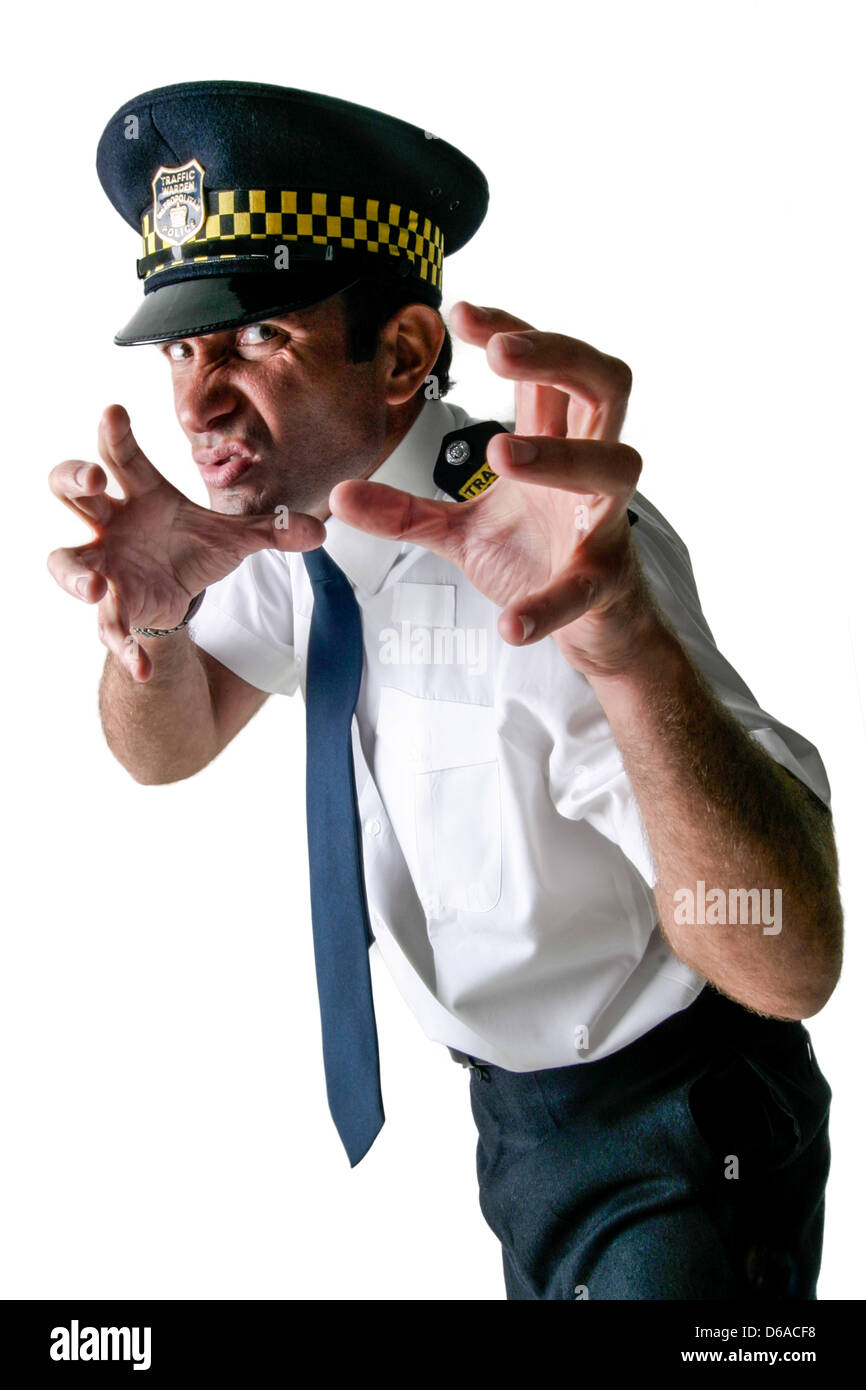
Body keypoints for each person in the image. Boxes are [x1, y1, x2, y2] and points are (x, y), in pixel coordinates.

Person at [48, 80, 842, 1301]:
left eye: (258, 336)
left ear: (407, 352)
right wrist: (143, 633)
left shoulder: (553, 555)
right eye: (182, 348)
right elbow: (168, 743)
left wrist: (624, 652)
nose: (199, 398)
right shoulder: (293, 531)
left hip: (679, 1125)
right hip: (517, 1124)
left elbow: (788, 966)